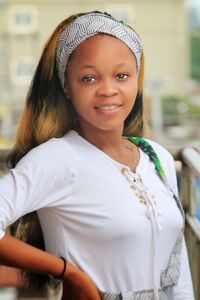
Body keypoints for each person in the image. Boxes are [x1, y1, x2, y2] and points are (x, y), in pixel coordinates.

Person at [0, 11, 195, 300]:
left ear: (136, 81)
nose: (108, 90)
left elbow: (179, 271)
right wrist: (68, 272)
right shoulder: (57, 159)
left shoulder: (158, 157)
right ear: (67, 87)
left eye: (122, 75)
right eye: (89, 78)